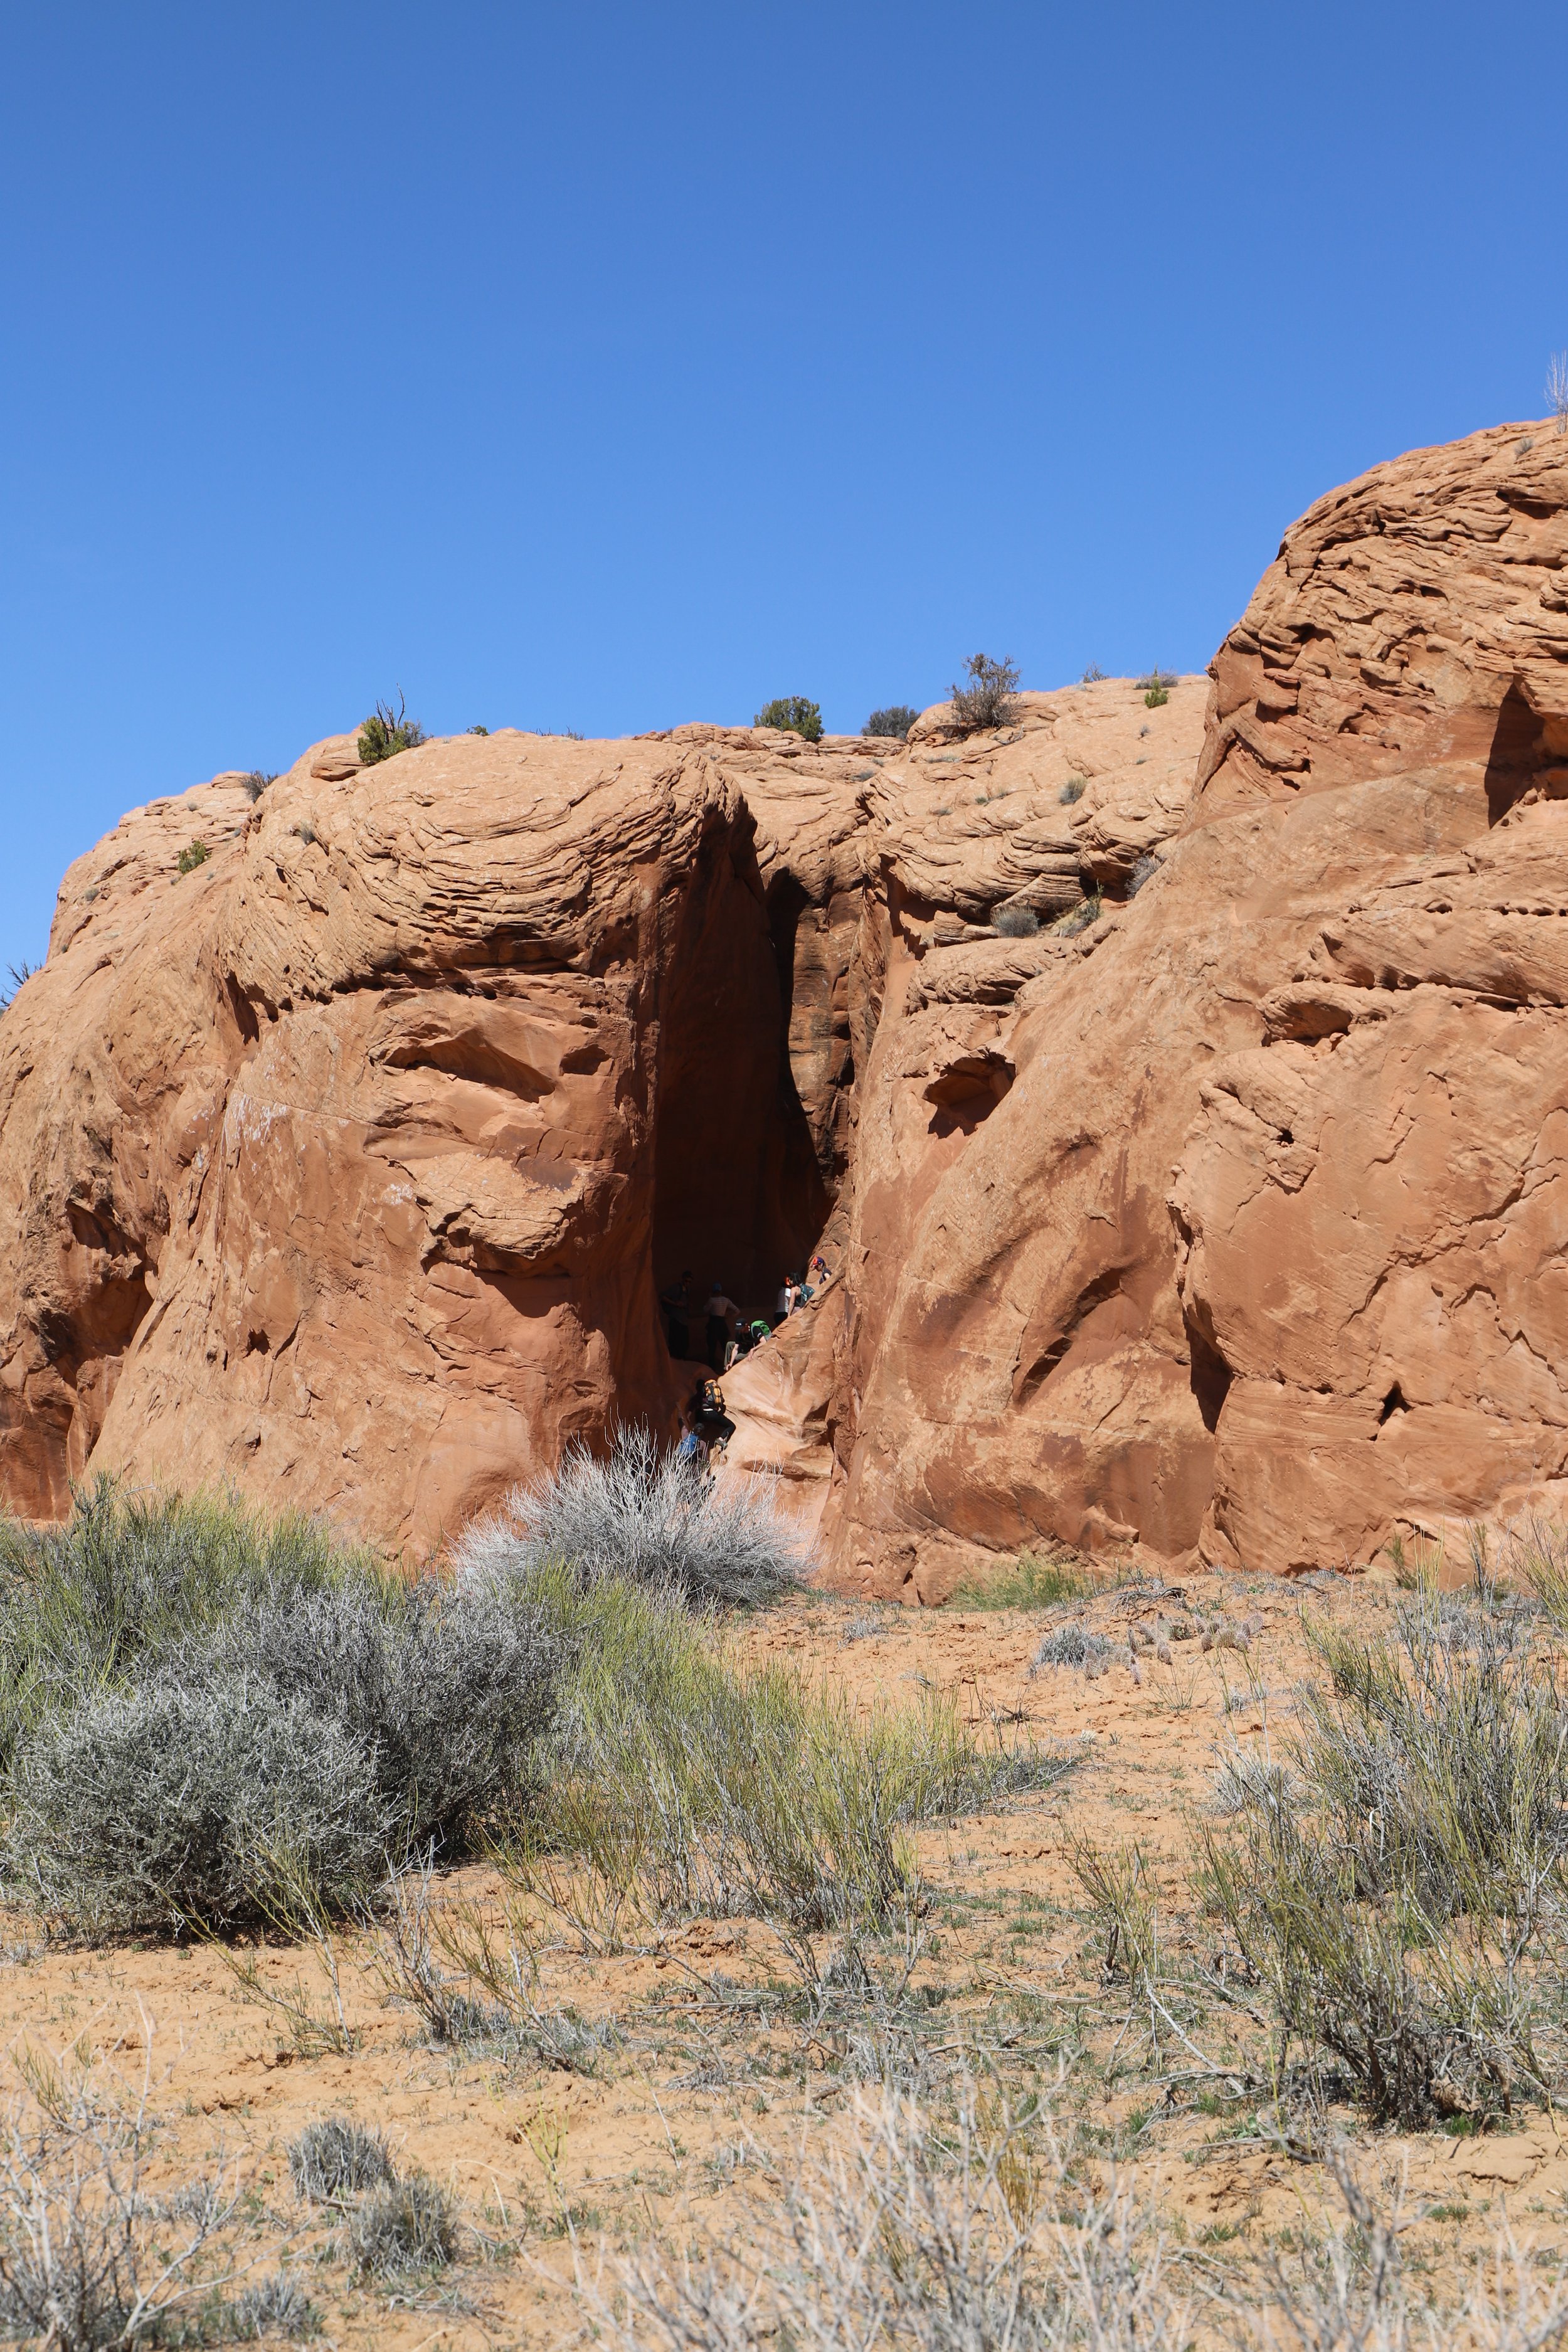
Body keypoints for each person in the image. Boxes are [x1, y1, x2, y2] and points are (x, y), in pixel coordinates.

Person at [660, 1269, 694, 1359]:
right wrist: (675, 1304)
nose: (688, 1283)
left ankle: (681, 1361)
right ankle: (674, 1361)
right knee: (675, 1342)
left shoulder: (688, 1290)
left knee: (684, 1343)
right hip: (675, 1319)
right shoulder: (676, 1288)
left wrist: (687, 1305)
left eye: (690, 1282)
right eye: (686, 1281)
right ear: (683, 1279)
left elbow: (684, 1301)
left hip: (683, 1320)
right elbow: (663, 1297)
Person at [705, 1280, 738, 1372]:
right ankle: (731, 1365)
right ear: (721, 1291)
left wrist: (709, 1298)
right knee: (725, 1347)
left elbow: (705, 1310)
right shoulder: (726, 1300)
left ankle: (712, 1369)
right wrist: (727, 1316)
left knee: (712, 1347)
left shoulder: (712, 1300)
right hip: (722, 1324)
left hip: (713, 1324)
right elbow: (737, 1310)